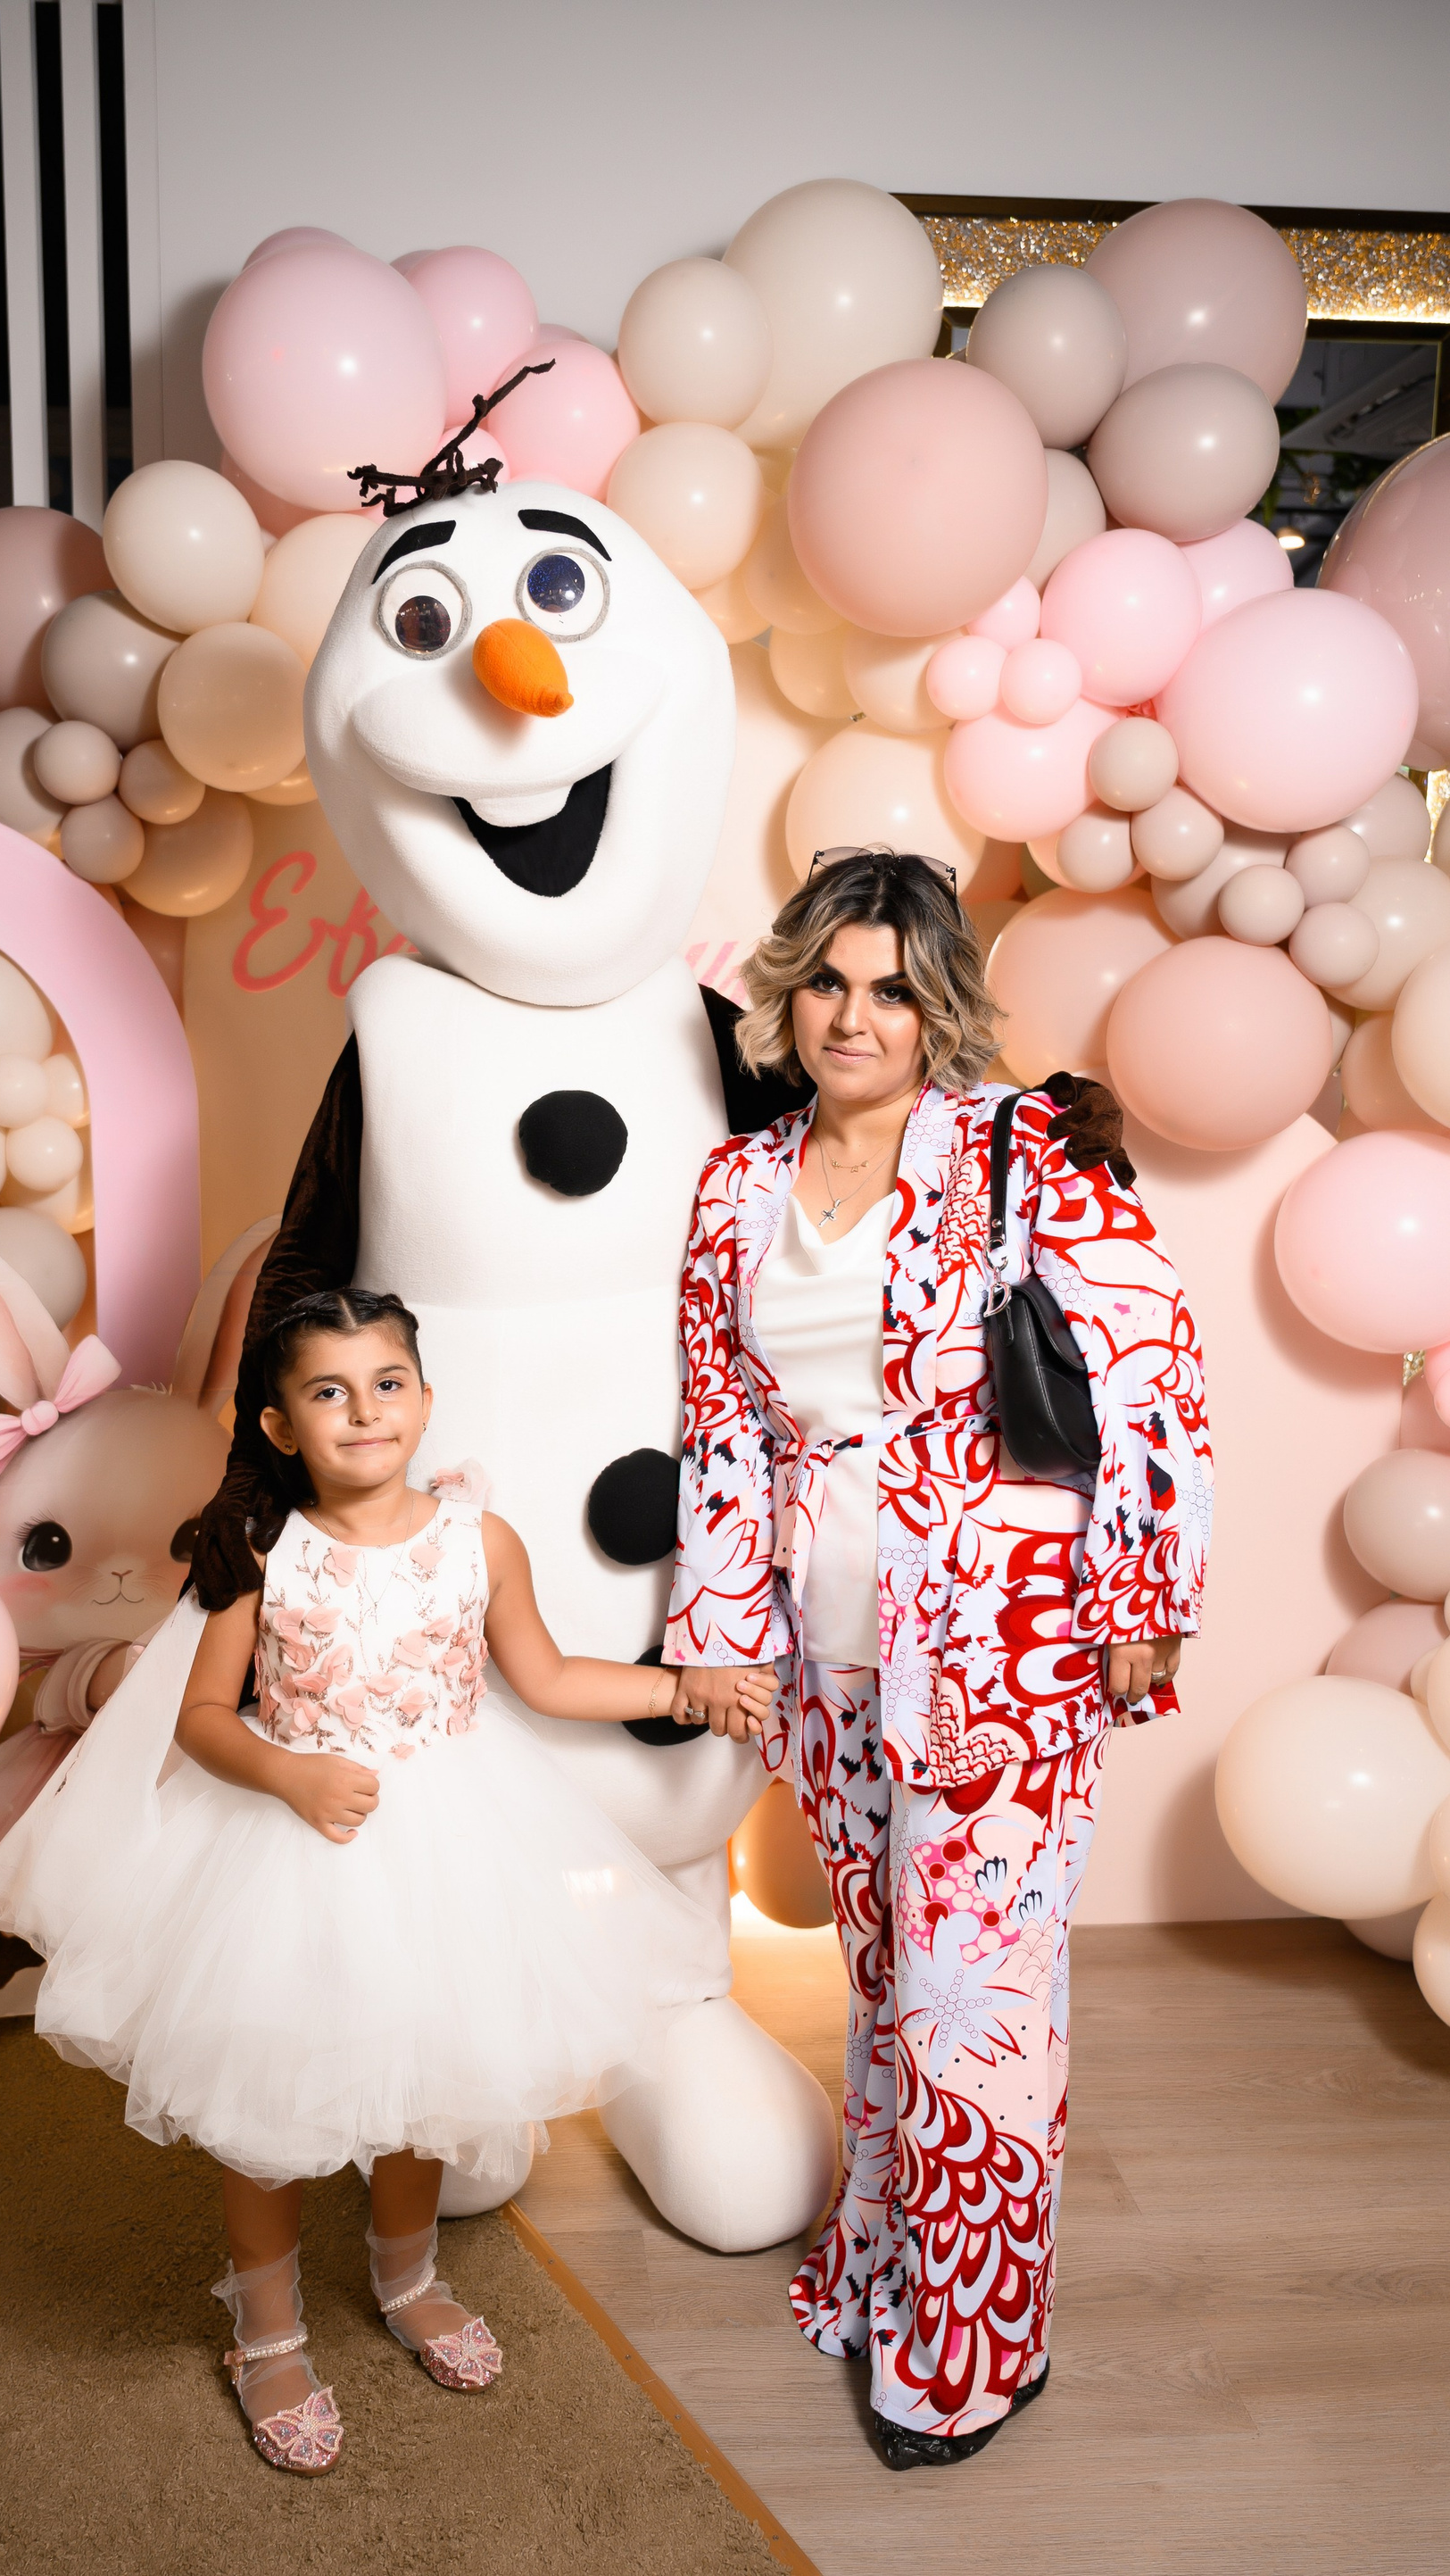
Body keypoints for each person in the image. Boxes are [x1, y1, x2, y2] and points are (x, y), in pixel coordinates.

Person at [0, 1286, 767, 2478]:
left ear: (426, 1401)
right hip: (291, 1848)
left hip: (452, 1840)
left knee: (425, 2070)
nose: (364, 1411)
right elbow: (201, 1715)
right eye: (329, 1392)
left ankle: (408, 2278)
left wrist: (678, 1687)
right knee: (268, 2097)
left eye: (387, 1385)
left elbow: (547, 1678)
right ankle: (267, 2329)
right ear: (281, 1425)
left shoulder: (480, 1540)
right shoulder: (262, 1552)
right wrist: (287, 1773)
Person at [664, 850, 1212, 2472]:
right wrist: (724, 1634)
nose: (856, 1017)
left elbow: (1154, 1365)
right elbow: (723, 1421)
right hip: (829, 1655)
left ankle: (969, 2357)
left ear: (939, 1008)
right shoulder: (735, 1184)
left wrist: (1143, 1592)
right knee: (887, 1980)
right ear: (790, 992)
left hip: (1005, 1643)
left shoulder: (1017, 1146)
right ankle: (886, 2262)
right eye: (831, 982)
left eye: (894, 990)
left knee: (978, 2005)